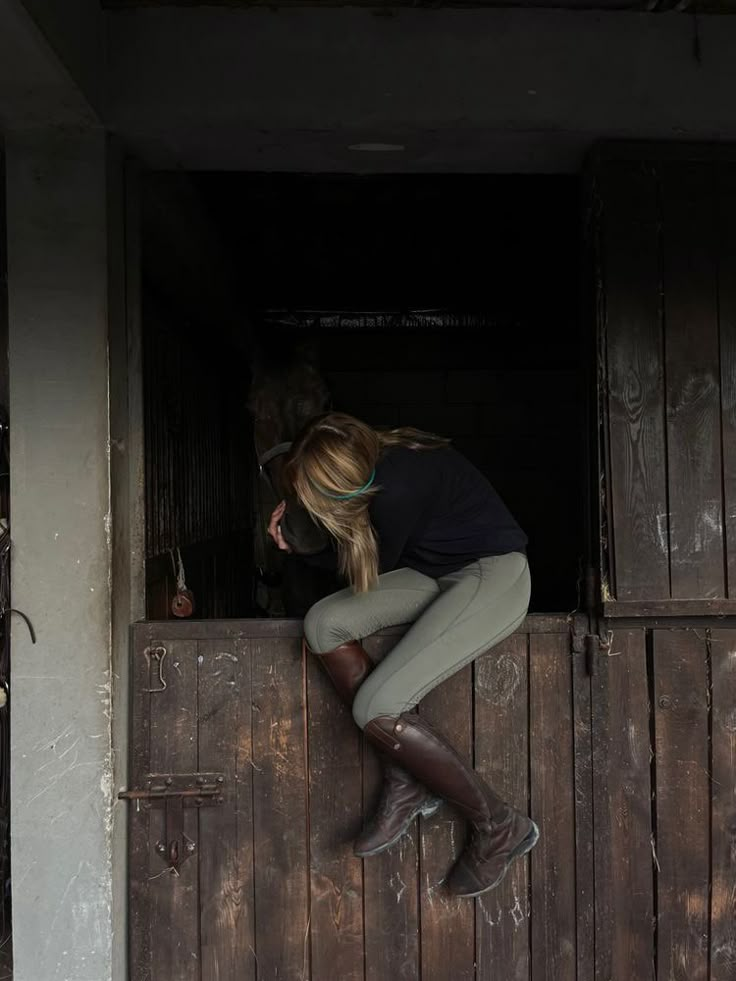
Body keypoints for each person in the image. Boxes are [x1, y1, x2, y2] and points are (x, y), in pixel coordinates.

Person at [267, 412, 537, 898]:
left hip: (491, 574)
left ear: (341, 484)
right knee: (323, 623)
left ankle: (500, 826)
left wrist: (302, 548)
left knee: (377, 706)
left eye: (315, 494)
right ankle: (407, 775)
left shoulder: (398, 488)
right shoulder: (378, 468)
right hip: (434, 569)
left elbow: (367, 564)